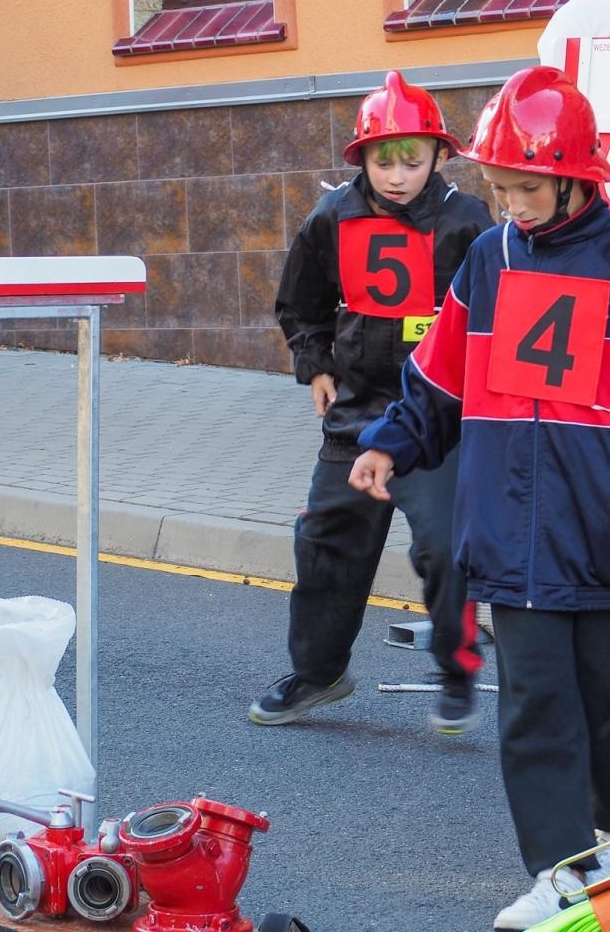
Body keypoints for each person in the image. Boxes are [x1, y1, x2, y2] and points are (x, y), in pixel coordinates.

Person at [349, 67, 610, 930]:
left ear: (575, 173)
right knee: (532, 708)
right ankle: (562, 872)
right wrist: (390, 444)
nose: (509, 205)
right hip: (510, 533)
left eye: (525, 187)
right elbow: (437, 382)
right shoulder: (486, 260)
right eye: (496, 188)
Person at [252, 72, 493, 734]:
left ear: (439, 156)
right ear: (361, 158)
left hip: (437, 418)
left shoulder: (469, 221)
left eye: (411, 160)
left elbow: (493, 317)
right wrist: (314, 366)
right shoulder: (330, 217)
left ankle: (458, 671)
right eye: (382, 161)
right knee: (328, 544)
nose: (397, 176)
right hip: (356, 413)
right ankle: (319, 673)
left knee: (445, 547)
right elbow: (299, 304)